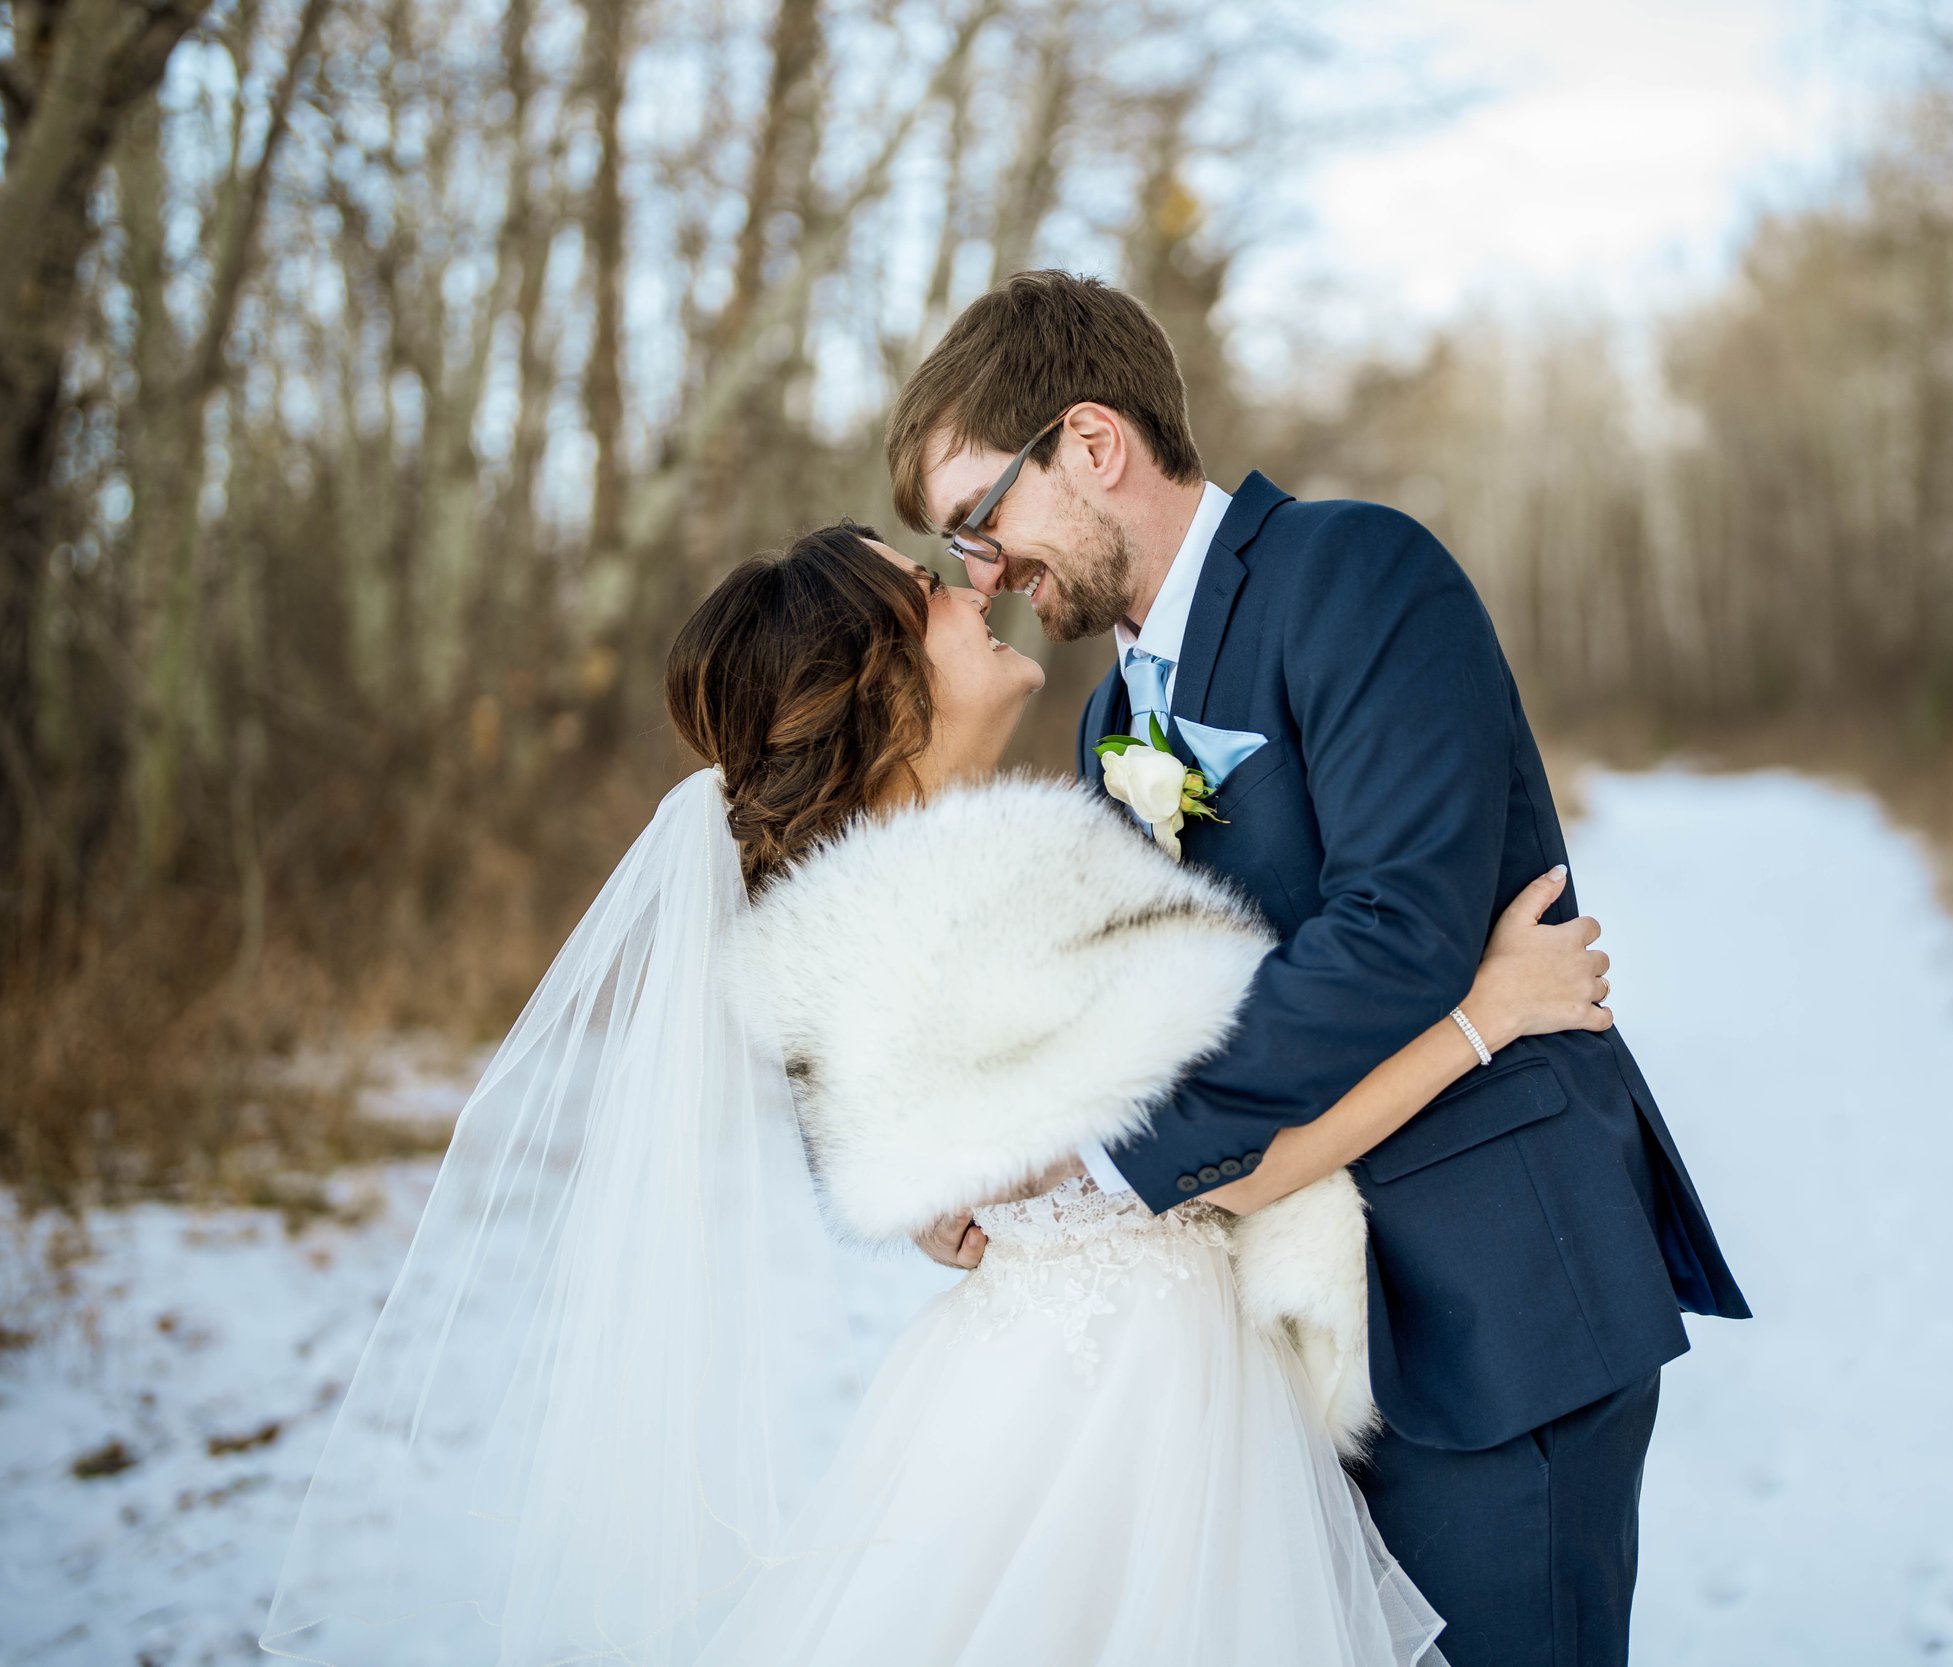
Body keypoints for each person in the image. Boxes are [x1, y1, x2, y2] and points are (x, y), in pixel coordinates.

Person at [258, 517, 1616, 1666]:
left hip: (1043, 1385)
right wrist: (1485, 1018)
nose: (974, 585)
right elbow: (1240, 1161)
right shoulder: (983, 903)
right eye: (929, 590)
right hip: (1135, 1412)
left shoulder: (884, 907)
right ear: (882, 686)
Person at [887, 270, 1754, 1666]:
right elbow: (1132, 1015)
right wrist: (996, 1162)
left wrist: (1103, 1159)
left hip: (1487, 1311)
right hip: (1274, 1344)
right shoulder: (1112, 715)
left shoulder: (1354, 573)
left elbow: (1399, 937)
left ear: (1093, 445)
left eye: (981, 523)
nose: (984, 577)